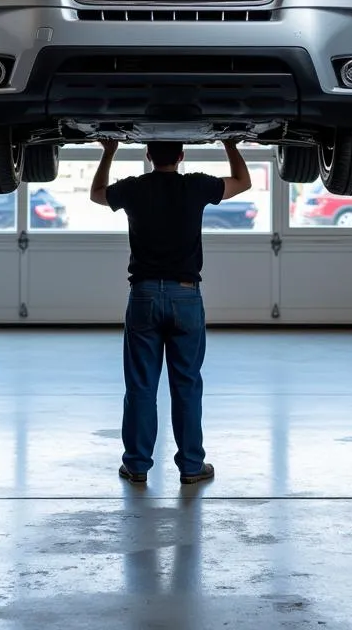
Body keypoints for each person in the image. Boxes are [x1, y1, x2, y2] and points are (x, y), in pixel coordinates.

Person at [90, 139, 252, 485]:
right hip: (186, 297)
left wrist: (109, 151)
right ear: (181, 155)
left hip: (144, 296)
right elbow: (243, 182)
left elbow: (97, 193)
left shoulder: (133, 189)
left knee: (141, 387)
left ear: (148, 156)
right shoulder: (196, 185)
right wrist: (229, 143)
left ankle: (136, 465)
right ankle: (192, 467)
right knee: (187, 386)